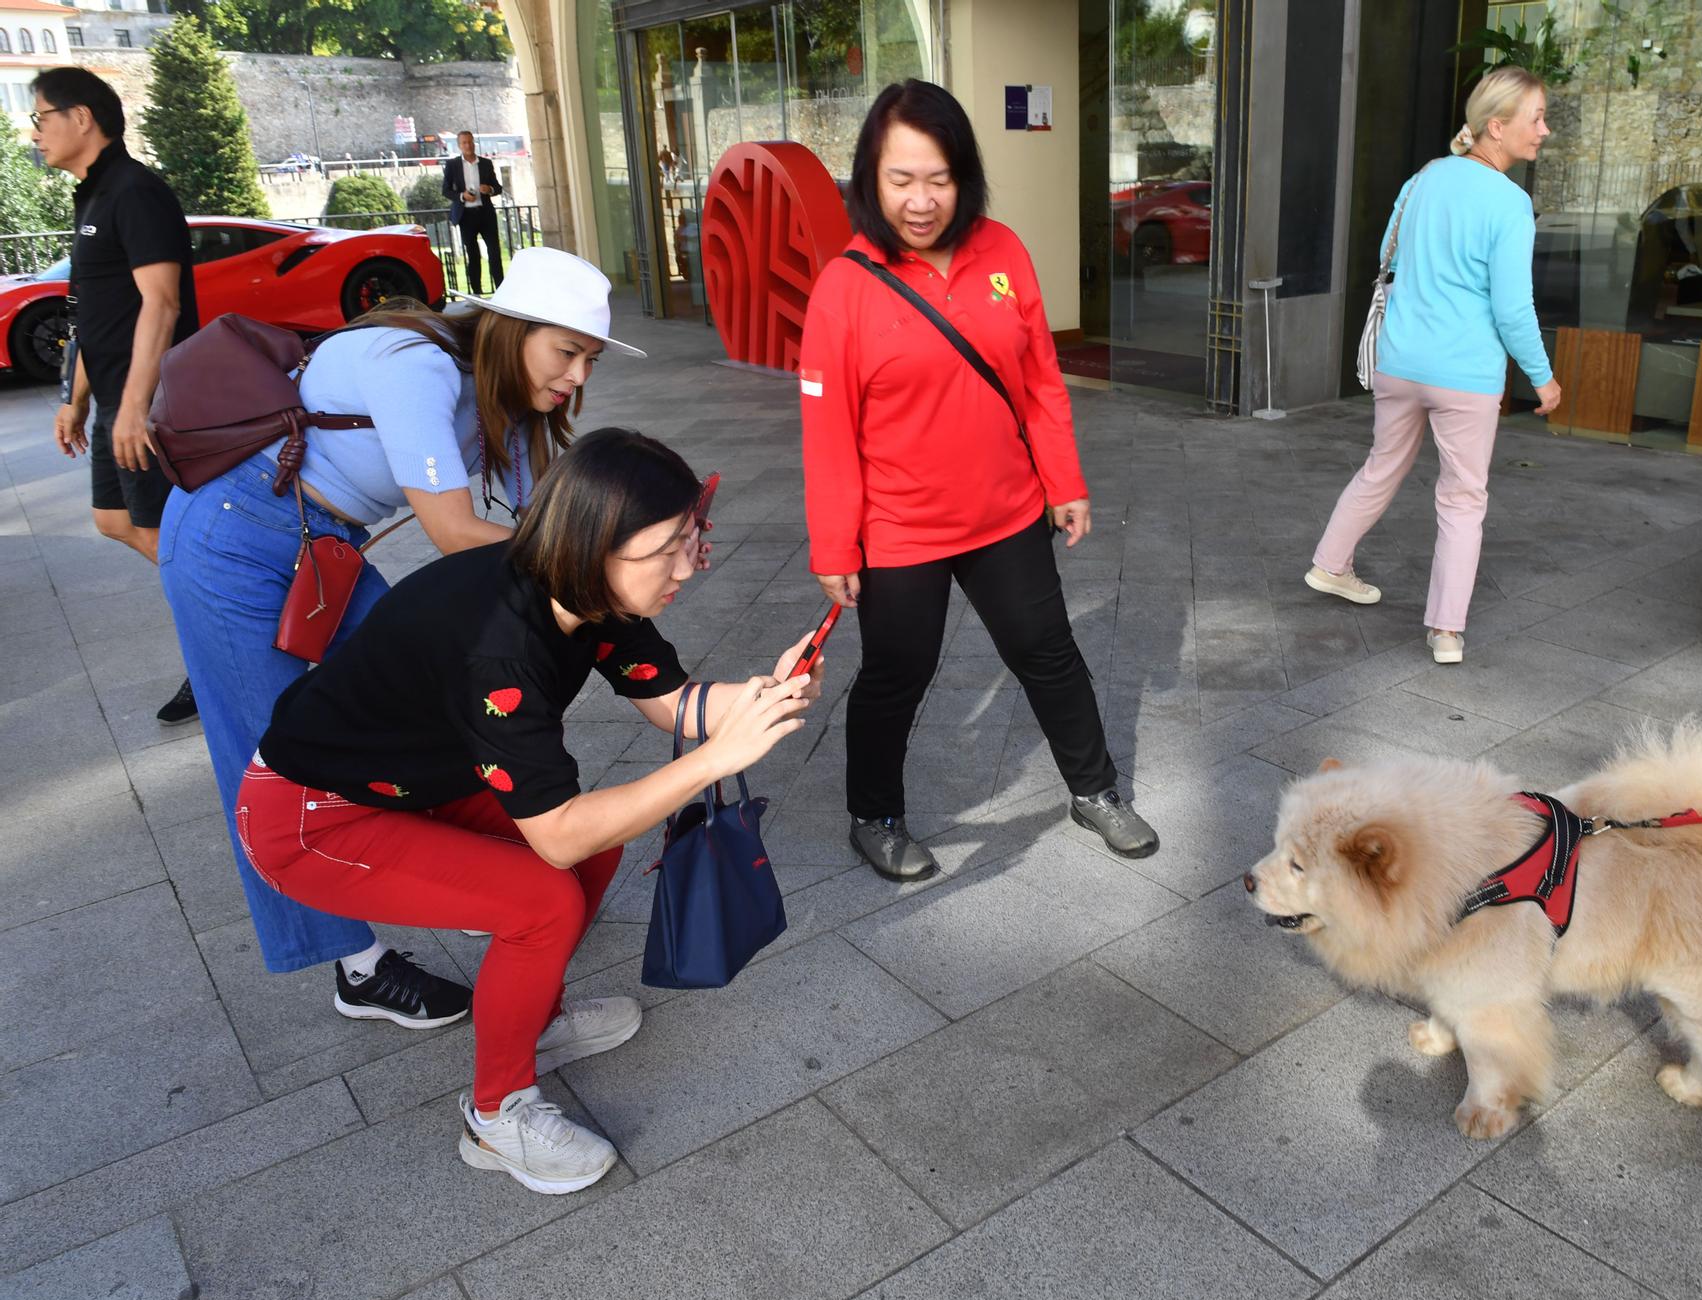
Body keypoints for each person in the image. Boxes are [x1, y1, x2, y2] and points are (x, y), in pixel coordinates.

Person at [236, 429, 820, 1194]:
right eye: (670, 548)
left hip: (416, 780)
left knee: (597, 849)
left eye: (692, 536)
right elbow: (557, 831)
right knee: (545, 895)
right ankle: (495, 1115)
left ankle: (531, 1015)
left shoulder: (588, 588)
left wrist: (761, 699)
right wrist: (714, 760)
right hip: (310, 816)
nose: (690, 565)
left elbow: (672, 703)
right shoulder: (501, 645)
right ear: (594, 544)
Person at [159, 247, 646, 1028]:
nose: (578, 376)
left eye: (589, 358)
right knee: (274, 754)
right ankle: (357, 966)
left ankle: (466, 875)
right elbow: (458, 532)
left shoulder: (507, 393)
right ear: (512, 330)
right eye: (568, 352)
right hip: (233, 532)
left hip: (323, 543)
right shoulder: (416, 364)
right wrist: (604, 572)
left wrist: (606, 559)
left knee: (411, 699)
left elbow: (535, 528)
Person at [799, 79, 1158, 881]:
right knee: (898, 673)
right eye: (901, 180)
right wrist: (835, 545)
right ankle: (875, 814)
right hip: (899, 528)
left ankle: (1094, 789)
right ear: (869, 179)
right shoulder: (845, 288)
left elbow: (1038, 380)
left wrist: (1066, 482)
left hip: (1006, 513)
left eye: (939, 178)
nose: (921, 201)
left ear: (964, 175)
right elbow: (826, 435)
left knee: (1047, 650)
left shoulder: (1002, 251)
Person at [1306, 65, 1561, 666]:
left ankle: (1329, 564)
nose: (1544, 130)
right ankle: (1445, 630)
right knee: (1463, 498)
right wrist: (1542, 376)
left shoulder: (1424, 178)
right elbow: (1512, 306)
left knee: (1381, 467)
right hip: (1464, 373)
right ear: (1496, 127)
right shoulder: (1511, 203)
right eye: (1537, 118)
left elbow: (1386, 254)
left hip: (1400, 359)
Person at [32, 66, 200, 724]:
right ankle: (227, 602)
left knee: (165, 530)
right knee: (114, 520)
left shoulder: (135, 191)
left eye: (42, 117)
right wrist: (75, 399)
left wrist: (134, 406)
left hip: (148, 402)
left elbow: (161, 305)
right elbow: (94, 313)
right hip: (110, 398)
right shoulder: (91, 196)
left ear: (82, 118)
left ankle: (227, 629)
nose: (36, 133)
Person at [445, 130, 504, 295]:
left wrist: (489, 189)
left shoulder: (485, 163)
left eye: (470, 142)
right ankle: (477, 293)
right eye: (464, 143)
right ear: (459, 146)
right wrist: (461, 196)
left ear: (474, 143)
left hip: (485, 214)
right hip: (466, 216)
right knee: (473, 256)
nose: (468, 145)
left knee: (494, 253)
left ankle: (502, 292)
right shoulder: (452, 165)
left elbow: (498, 188)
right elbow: (445, 190)